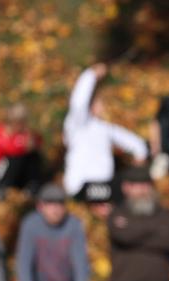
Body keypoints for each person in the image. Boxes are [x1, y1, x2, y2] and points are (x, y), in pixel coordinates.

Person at [63, 63, 148, 203]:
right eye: (100, 103)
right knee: (120, 195)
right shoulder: (77, 124)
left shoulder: (104, 128)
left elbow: (133, 142)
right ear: (91, 105)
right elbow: (78, 102)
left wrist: (140, 154)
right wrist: (91, 75)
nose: (103, 107)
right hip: (82, 186)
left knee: (134, 190)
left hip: (105, 186)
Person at [107, 166, 169, 281]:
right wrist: (156, 229)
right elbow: (124, 236)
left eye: (146, 185)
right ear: (126, 188)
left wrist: (133, 228)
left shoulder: (166, 214)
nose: (143, 190)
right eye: (137, 185)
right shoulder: (117, 213)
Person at [0, 103, 44, 199]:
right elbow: (10, 150)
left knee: (33, 156)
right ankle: (1, 189)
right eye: (19, 122)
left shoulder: (23, 134)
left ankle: (31, 186)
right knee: (14, 158)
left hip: (16, 174)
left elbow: (38, 141)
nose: (22, 125)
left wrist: (31, 141)